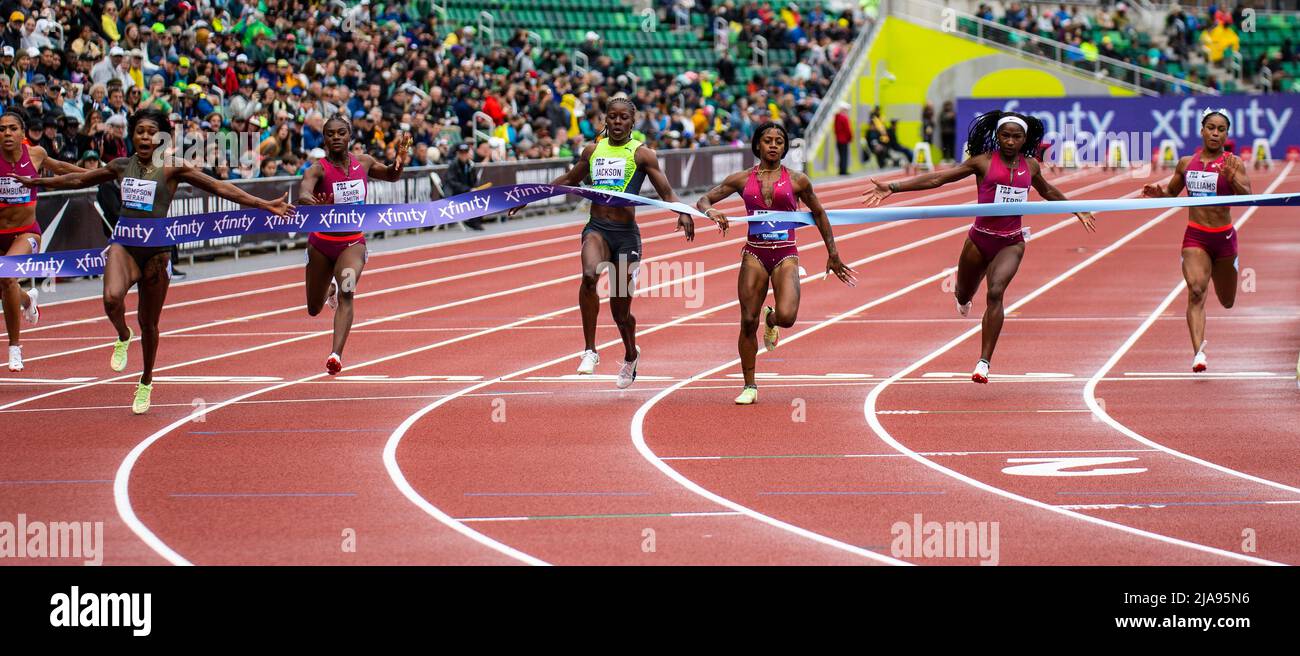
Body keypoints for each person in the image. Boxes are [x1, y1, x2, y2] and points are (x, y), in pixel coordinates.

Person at [17, 108, 294, 413]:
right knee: (111, 300)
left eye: (151, 132)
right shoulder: (121, 166)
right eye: (140, 131)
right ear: (132, 135)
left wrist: (263, 203)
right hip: (124, 245)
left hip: (156, 253)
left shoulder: (173, 168)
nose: (145, 137)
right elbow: (80, 179)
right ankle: (123, 334)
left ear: (161, 138)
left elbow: (218, 187)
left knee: (149, 324)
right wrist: (38, 184)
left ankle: (146, 380)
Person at [862, 110, 1095, 383]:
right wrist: (893, 186)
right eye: (1005, 136)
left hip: (1011, 241)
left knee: (996, 293)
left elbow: (1046, 191)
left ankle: (983, 362)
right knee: (963, 294)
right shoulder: (983, 162)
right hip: (979, 238)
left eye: (1016, 137)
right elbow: (939, 179)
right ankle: (962, 297)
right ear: (997, 136)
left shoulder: (1030, 166)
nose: (1010, 142)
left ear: (1025, 139)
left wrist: (1076, 208)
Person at [506, 96, 693, 388]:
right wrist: (529, 197)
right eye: (613, 117)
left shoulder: (642, 154)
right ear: (605, 119)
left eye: (624, 118)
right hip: (597, 229)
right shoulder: (592, 150)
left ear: (633, 122)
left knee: (621, 312)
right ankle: (590, 350)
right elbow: (569, 178)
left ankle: (631, 354)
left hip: (626, 236)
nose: (618, 123)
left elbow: (667, 192)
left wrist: (682, 212)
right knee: (589, 275)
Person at [696, 122, 856, 404]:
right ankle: (750, 385)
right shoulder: (741, 179)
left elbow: (819, 213)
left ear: (784, 147)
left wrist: (833, 253)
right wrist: (711, 210)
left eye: (779, 141)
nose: (773, 145)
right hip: (755, 254)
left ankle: (771, 320)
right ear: (757, 144)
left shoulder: (798, 180)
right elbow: (704, 198)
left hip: (785, 255)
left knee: (788, 317)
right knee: (747, 320)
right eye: (767, 140)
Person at [296, 115, 410, 375]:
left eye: (341, 133)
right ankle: (329, 289)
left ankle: (335, 355)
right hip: (322, 244)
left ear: (350, 136)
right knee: (314, 309)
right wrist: (311, 202)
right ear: (324, 139)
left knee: (348, 291)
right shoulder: (318, 169)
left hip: (352, 244)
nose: (336, 137)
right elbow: (303, 192)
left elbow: (392, 176)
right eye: (330, 134)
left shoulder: (365, 162)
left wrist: (400, 161)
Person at [1141, 108, 1251, 373]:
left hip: (1224, 238)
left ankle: (1227, 275)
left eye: (1221, 129)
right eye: (1211, 127)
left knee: (1227, 301)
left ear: (1226, 134)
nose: (1215, 133)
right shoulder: (1186, 163)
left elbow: (1248, 195)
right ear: (1202, 130)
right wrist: (1159, 194)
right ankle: (1199, 353)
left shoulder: (1233, 163)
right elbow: (1171, 193)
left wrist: (1230, 177)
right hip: (1196, 236)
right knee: (1197, 291)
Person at [0, 109, 85, 371]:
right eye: (2, 129)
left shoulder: (35, 154)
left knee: (6, 277)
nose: (6, 133)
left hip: (26, 232)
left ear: (22, 133)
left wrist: (101, 175)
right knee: (7, 287)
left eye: (12, 128)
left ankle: (14, 348)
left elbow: (61, 168)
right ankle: (27, 300)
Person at [444, 142, 483, 230]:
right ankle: (473, 222)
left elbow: (474, 180)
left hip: (467, 191)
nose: (464, 155)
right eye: (462, 153)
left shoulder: (470, 165)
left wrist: (475, 188)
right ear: (458, 153)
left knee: (480, 196)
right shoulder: (453, 165)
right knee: (473, 198)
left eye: (465, 152)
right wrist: (468, 189)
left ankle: (474, 221)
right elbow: (451, 182)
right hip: (455, 193)